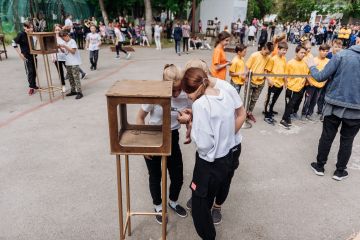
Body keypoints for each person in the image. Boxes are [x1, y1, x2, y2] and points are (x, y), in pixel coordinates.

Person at [181, 67, 245, 240]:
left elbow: (204, 144)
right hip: (225, 158)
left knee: (199, 208)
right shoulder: (224, 94)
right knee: (211, 194)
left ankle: (209, 236)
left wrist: (191, 124)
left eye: (188, 92)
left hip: (208, 163)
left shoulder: (200, 105)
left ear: (195, 88)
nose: (187, 96)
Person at [136, 64, 190, 224]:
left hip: (172, 136)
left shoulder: (185, 95)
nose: (176, 93)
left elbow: (192, 115)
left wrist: (188, 125)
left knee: (178, 176)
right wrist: (144, 144)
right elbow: (140, 118)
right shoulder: (154, 95)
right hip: (153, 136)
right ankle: (158, 206)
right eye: (172, 90)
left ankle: (172, 202)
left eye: (179, 89)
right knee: (155, 176)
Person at [306, 35, 360, 181]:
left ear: (357, 40)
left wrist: (311, 66)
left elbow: (320, 76)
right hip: (356, 110)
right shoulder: (341, 55)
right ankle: (340, 171)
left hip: (334, 104)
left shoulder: (341, 55)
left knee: (327, 136)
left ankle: (320, 166)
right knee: (347, 140)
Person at [279, 45, 308, 129]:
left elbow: (305, 74)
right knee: (289, 104)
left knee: (292, 105)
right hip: (291, 88)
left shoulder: (304, 63)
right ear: (296, 52)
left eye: (304, 53)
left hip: (300, 88)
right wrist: (286, 86)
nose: (303, 54)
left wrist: (303, 83)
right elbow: (285, 75)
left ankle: (287, 117)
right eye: (301, 52)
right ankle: (283, 120)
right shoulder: (290, 63)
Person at [245, 42, 274, 122]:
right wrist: (246, 78)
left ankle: (249, 113)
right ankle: (244, 114)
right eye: (267, 52)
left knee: (254, 99)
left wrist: (268, 80)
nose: (267, 54)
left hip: (260, 82)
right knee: (247, 98)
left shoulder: (268, 58)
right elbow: (247, 67)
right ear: (263, 48)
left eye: (269, 53)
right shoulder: (254, 55)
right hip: (251, 81)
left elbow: (265, 71)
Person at [301, 44, 330, 121]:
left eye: (327, 51)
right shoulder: (313, 60)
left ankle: (309, 114)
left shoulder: (328, 61)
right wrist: (310, 82)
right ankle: (303, 114)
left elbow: (328, 73)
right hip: (311, 85)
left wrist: (324, 82)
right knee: (307, 100)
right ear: (319, 50)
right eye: (323, 51)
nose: (325, 53)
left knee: (314, 101)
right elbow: (307, 73)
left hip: (320, 86)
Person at [263, 41, 288, 124]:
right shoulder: (272, 59)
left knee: (274, 100)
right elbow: (266, 71)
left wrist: (285, 82)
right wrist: (269, 80)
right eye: (283, 50)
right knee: (270, 100)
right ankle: (267, 115)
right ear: (278, 49)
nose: (284, 52)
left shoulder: (284, 59)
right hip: (273, 84)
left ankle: (270, 110)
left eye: (286, 50)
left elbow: (285, 71)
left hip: (280, 84)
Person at [12, 21, 39, 95]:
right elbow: (13, 42)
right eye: (29, 27)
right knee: (30, 71)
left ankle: (34, 85)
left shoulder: (33, 34)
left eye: (31, 27)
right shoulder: (21, 34)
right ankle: (31, 87)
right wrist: (20, 53)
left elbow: (35, 43)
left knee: (34, 70)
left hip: (34, 55)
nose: (31, 29)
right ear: (25, 27)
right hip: (26, 56)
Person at [58, 30, 83, 99]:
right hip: (68, 62)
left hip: (74, 62)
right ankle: (73, 90)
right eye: (62, 38)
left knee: (76, 78)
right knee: (70, 78)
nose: (63, 39)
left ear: (67, 35)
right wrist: (60, 48)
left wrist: (65, 46)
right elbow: (65, 52)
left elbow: (73, 51)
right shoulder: (64, 42)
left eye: (63, 38)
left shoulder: (72, 41)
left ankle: (79, 92)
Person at [52, 24, 67, 92]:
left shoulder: (64, 37)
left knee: (69, 71)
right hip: (57, 57)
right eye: (56, 30)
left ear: (61, 30)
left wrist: (60, 48)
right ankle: (63, 86)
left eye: (58, 30)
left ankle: (74, 85)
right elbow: (51, 48)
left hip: (65, 56)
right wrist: (52, 57)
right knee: (60, 72)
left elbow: (67, 48)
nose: (57, 31)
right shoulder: (52, 38)